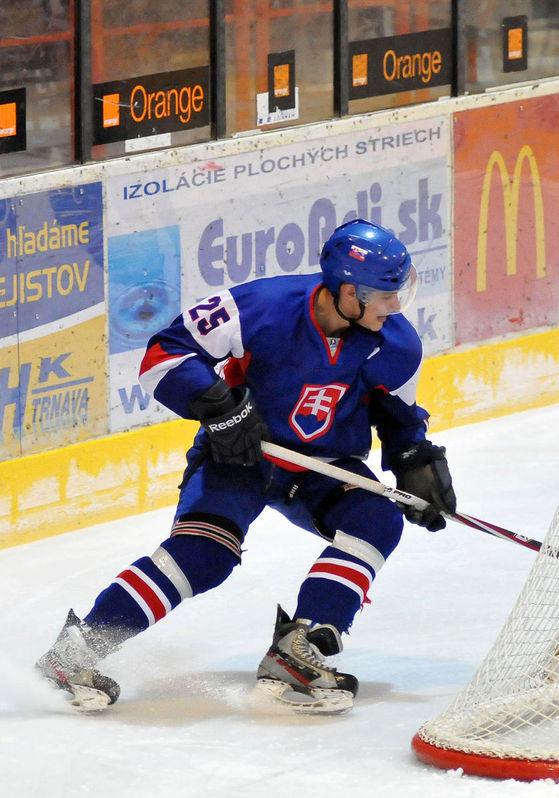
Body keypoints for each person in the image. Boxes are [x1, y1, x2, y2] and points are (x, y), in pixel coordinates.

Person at [34, 219, 457, 714]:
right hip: (239, 456)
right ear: (348, 292)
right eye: (384, 295)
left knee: (377, 518)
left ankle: (300, 650)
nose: (396, 306)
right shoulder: (262, 306)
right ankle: (76, 651)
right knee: (203, 556)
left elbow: (398, 416)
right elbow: (162, 355)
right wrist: (217, 405)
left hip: (323, 466)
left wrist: (414, 462)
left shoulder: (396, 343)